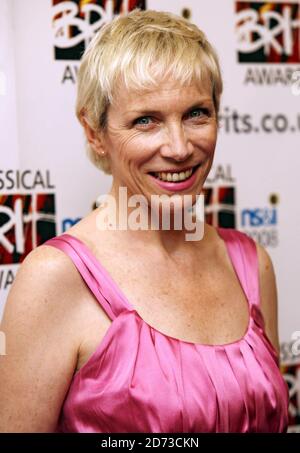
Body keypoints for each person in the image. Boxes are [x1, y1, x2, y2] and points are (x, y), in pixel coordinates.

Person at [0, 9, 289, 433]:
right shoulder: (56, 278)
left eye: (196, 114)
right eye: (146, 120)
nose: (178, 147)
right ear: (95, 132)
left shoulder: (250, 263)